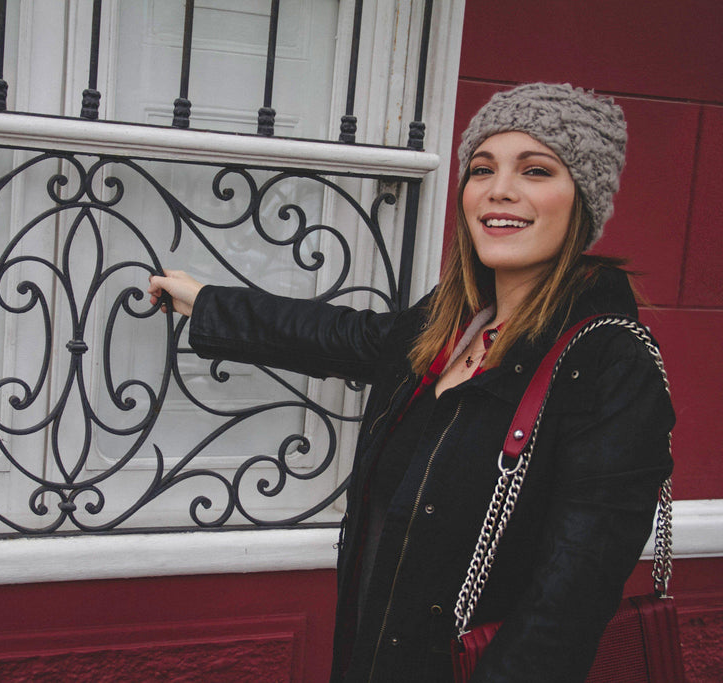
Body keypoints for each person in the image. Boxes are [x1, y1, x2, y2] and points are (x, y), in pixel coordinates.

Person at [148, 83, 675, 683]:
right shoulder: (451, 325)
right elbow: (341, 336)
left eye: (535, 170)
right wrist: (205, 302)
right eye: (482, 169)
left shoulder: (608, 361)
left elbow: (568, 604)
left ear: (582, 201)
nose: (499, 189)